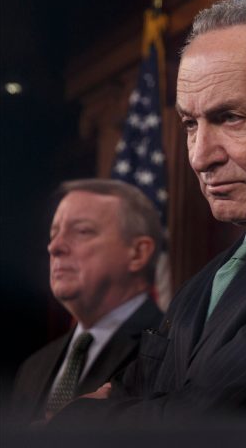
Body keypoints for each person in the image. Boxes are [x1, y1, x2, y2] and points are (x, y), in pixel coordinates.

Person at [53, 0, 246, 423]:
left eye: (230, 118)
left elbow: (202, 423)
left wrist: (76, 421)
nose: (200, 157)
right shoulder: (206, 281)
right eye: (190, 124)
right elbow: (139, 388)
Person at [10, 179, 164, 423]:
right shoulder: (34, 367)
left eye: (82, 231)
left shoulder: (170, 348)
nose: (55, 246)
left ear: (138, 253)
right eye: (54, 233)